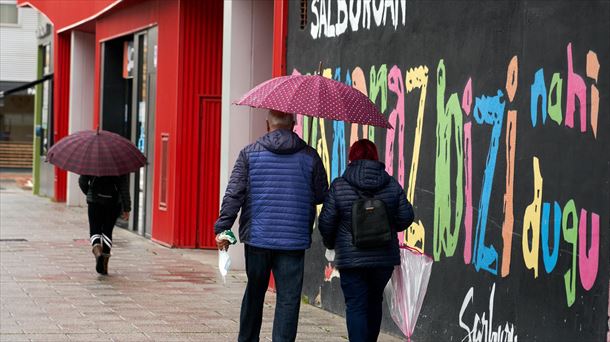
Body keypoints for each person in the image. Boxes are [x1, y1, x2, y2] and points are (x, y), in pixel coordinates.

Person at [214, 110, 328, 342]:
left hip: (258, 237)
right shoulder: (310, 155)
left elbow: (234, 194)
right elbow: (321, 194)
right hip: (293, 239)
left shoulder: (249, 154)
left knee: (255, 292)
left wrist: (223, 227)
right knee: (288, 298)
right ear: (294, 124)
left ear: (267, 125)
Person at [318, 139, 414, 342]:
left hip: (351, 260)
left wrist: (330, 243)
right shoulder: (391, 184)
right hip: (383, 259)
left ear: (352, 157)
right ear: (375, 157)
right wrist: (386, 227)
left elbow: (326, 222)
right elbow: (406, 215)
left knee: (356, 305)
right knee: (374, 301)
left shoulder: (339, 185)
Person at [78, 174, 130, 275]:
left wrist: (89, 191)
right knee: (107, 231)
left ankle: (98, 253)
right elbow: (124, 188)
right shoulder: (118, 164)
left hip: (94, 201)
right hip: (114, 202)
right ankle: (105, 266)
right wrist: (127, 208)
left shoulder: (92, 161)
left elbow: (82, 182)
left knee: (94, 230)